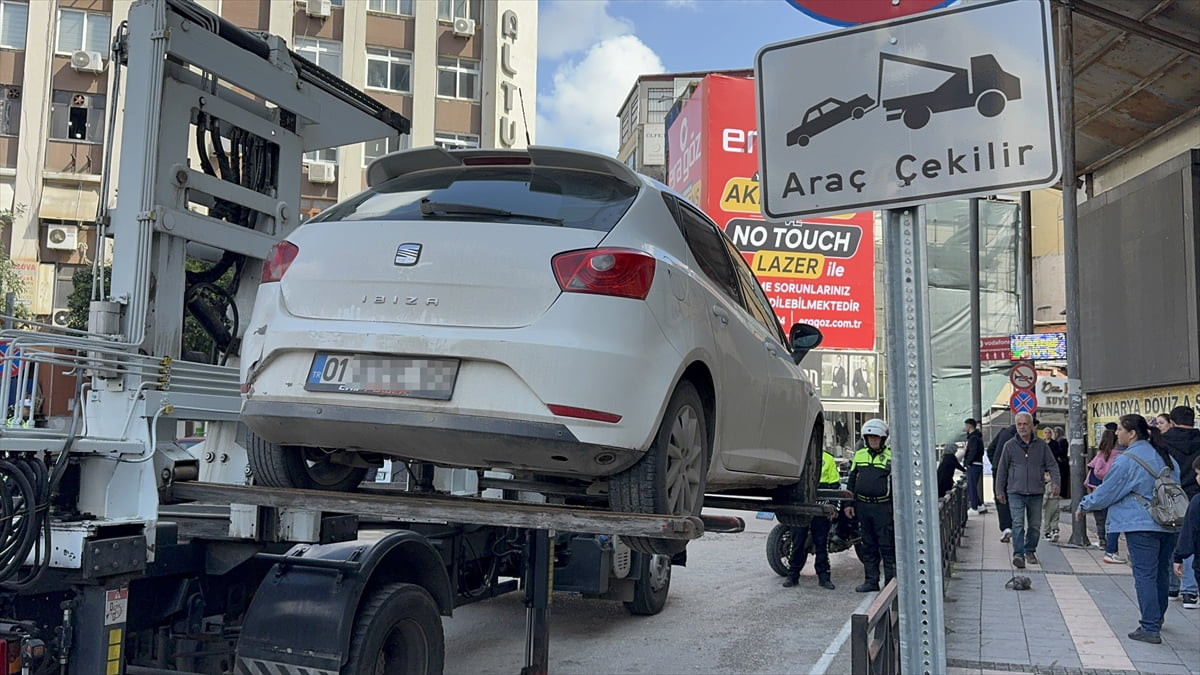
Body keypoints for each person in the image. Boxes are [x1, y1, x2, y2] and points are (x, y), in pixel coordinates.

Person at [1077, 414, 1181, 644]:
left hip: (1141, 524)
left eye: (1120, 430)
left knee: (1145, 574)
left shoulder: (1127, 459)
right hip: (1169, 522)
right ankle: (1157, 618)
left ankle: (1150, 627)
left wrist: (1084, 505)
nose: (1117, 434)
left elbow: (1107, 492)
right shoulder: (1166, 456)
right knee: (1162, 573)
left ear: (1132, 433)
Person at [995, 412, 1059, 568]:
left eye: (1025, 424)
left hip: (1036, 491)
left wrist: (1056, 482)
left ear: (1032, 426)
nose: (1022, 427)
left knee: (1035, 525)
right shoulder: (1009, 446)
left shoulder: (1042, 445)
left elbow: (1052, 465)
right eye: (1019, 424)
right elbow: (1002, 469)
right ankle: (1018, 555)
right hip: (1015, 491)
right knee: (1017, 524)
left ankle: (1030, 550)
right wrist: (999, 491)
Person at [844, 418, 895, 592]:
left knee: (887, 546)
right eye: (870, 437)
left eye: (876, 437)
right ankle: (871, 581)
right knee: (868, 545)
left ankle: (890, 583)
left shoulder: (892, 456)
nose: (873, 440)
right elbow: (851, 481)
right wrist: (849, 504)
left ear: (883, 438)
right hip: (863, 507)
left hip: (883, 508)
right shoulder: (859, 455)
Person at [783, 449, 841, 590]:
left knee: (821, 544)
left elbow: (835, 485)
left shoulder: (828, 459)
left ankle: (824, 577)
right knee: (797, 542)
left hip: (820, 508)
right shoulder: (796, 456)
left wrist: (833, 507)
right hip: (801, 507)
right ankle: (793, 575)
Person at [1160, 405, 1199, 605]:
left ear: (1172, 422)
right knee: (1192, 541)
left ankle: (1172, 587)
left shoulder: (1163, 441)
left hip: (1171, 496)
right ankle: (1190, 592)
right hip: (1195, 496)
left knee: (1170, 541)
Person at [1086, 426, 1126, 563]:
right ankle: (1110, 546)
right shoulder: (1122, 454)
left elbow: (1097, 471)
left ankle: (1103, 541)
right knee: (1113, 519)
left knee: (1100, 517)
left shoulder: (1102, 454)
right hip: (1115, 491)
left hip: (1100, 489)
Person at [1172, 455, 1200, 610]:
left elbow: (1189, 532)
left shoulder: (1197, 501)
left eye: (1198, 473)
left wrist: (1179, 556)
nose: (1196, 478)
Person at [986, 421, 1019, 542]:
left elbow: (990, 449)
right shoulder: (1021, 436)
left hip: (997, 469)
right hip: (1013, 470)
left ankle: (1006, 527)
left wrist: (995, 463)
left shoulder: (1003, 432)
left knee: (1000, 497)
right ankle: (1015, 527)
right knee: (1014, 497)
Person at [964, 418, 987, 514]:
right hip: (977, 464)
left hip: (973, 464)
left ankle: (974, 507)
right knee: (972, 485)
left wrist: (967, 462)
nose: (965, 428)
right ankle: (979, 505)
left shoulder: (973, 438)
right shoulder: (977, 437)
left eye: (965, 426)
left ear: (969, 426)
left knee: (971, 486)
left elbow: (973, 452)